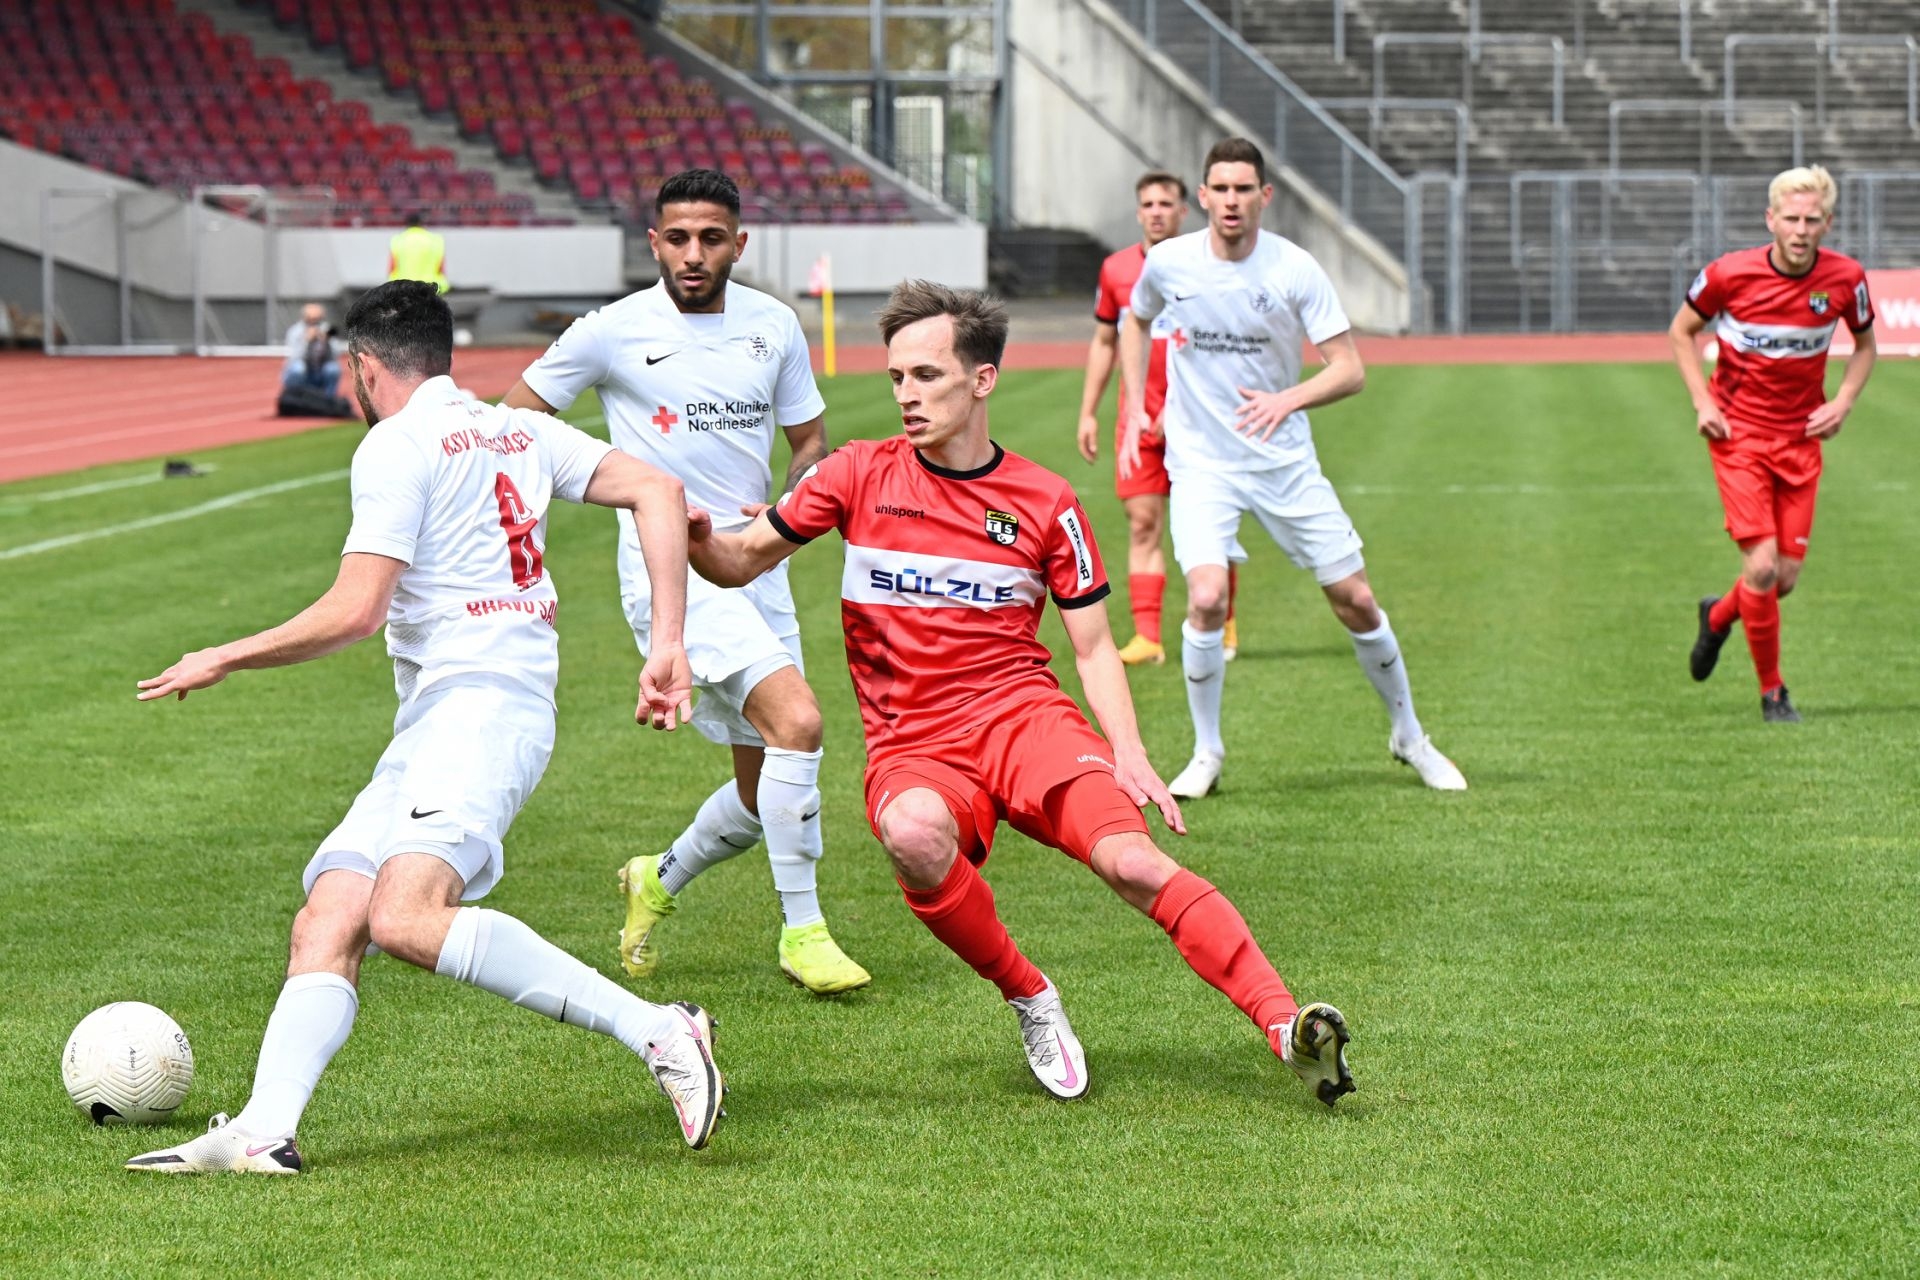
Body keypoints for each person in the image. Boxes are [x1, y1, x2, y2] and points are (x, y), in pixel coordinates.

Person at [684, 280, 1354, 1107]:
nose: (906, 394)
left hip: (1025, 721)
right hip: (914, 742)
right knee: (912, 834)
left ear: (982, 379)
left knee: (1133, 860)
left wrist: (1130, 752)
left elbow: (1094, 645)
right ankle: (1030, 995)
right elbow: (739, 560)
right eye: (896, 377)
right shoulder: (854, 472)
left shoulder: (1045, 501)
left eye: (927, 375)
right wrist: (693, 532)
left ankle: (1286, 1026)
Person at [124, 280, 725, 1173]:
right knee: (329, 915)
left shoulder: (397, 444)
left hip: (483, 708)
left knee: (405, 916)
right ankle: (262, 1130)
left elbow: (356, 610)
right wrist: (668, 641)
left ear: (365, 368)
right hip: (450, 714)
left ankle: (660, 1031)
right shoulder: (516, 429)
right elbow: (660, 487)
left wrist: (224, 655)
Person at [503, 169, 868, 996]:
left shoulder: (774, 324)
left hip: (757, 566)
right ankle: (804, 932)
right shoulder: (610, 331)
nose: (693, 254)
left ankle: (656, 879)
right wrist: (613, 486)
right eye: (677, 238)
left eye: (710, 238)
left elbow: (810, 441)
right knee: (800, 722)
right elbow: (514, 424)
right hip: (670, 572)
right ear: (654, 243)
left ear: (739, 243)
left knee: (762, 790)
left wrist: (793, 497)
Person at [1118, 137, 1465, 798]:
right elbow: (1134, 321)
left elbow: (1350, 369)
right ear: (1203, 197)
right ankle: (1206, 752)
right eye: (1221, 189)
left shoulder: (1294, 268)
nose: (1231, 201)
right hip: (1203, 464)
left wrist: (1287, 399)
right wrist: (1136, 402)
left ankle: (1410, 736)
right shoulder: (1169, 262)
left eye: (1244, 189)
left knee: (1356, 600)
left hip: (1282, 461)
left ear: (1264, 196)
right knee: (1207, 598)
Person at [1670, 165, 1878, 722]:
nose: (1800, 230)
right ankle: (1773, 693)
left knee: (1780, 580)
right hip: (1738, 436)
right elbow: (1681, 331)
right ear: (1771, 219)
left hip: (1801, 439)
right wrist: (1703, 402)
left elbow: (1865, 346)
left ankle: (1717, 617)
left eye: (1812, 220)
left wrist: (1843, 401)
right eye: (1791, 218)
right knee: (1760, 569)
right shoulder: (1728, 274)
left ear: (1827, 223)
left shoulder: (1845, 279)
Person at [1078, 171, 1242, 666]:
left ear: (1184, 211)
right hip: (1138, 422)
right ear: (1138, 212)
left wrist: (1184, 406)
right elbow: (1105, 342)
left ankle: (1222, 624)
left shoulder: (1207, 266)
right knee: (1142, 523)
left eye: (1165, 204)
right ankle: (1148, 638)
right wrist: (1089, 412)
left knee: (1212, 527)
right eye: (1148, 204)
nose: (1156, 212)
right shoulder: (1116, 270)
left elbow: (1228, 345)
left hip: (1202, 420)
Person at [281, 302, 341, 393]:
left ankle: (328, 399)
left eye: (317, 319)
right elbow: (293, 358)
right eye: (311, 319)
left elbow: (336, 355)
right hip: (303, 371)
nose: (314, 323)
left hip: (320, 370)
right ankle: (295, 396)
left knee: (333, 369)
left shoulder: (327, 329)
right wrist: (306, 341)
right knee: (298, 369)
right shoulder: (295, 331)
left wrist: (326, 342)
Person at [388, 213, 449, 294]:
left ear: (407, 224)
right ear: (421, 223)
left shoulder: (397, 240)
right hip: (430, 287)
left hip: (404, 287)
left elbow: (392, 268)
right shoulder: (436, 240)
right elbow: (441, 268)